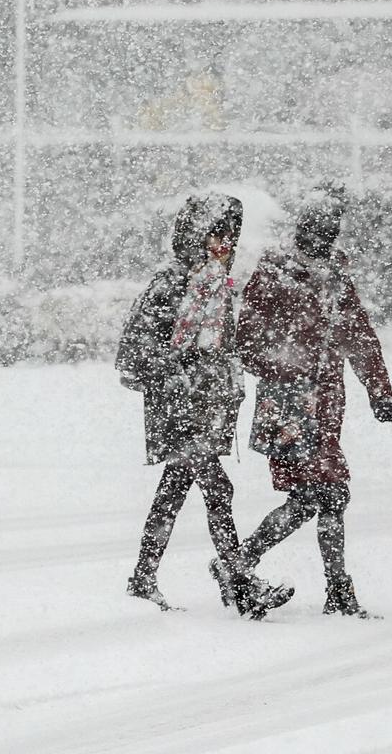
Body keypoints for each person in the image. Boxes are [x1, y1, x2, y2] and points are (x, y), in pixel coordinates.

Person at [118, 193, 292, 618]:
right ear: (194, 236)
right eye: (216, 234)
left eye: (230, 236)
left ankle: (143, 577)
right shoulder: (172, 284)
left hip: (205, 408)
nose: (224, 244)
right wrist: (179, 372)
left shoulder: (214, 284)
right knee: (218, 490)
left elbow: (219, 348)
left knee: (173, 491)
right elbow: (134, 351)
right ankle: (239, 582)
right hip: (178, 408)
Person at [231, 185, 392, 618]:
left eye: (330, 229)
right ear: (302, 228)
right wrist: (290, 364)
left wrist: (379, 389)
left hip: (323, 406)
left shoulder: (335, 276)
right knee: (325, 494)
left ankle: (247, 564)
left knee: (322, 496)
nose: (324, 236)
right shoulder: (275, 272)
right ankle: (324, 587)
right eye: (318, 227)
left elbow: (359, 335)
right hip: (288, 405)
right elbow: (245, 340)